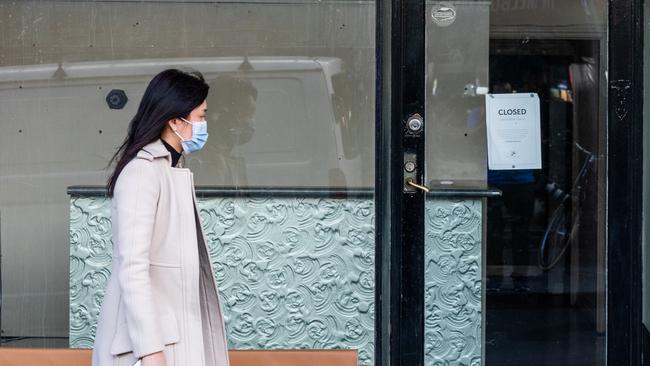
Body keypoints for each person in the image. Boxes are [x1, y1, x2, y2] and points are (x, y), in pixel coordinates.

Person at [92, 69, 230, 366]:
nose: (205, 125)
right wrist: (151, 351)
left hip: (170, 341)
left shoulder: (168, 171)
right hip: (154, 349)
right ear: (175, 121)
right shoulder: (143, 173)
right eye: (201, 116)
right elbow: (133, 268)